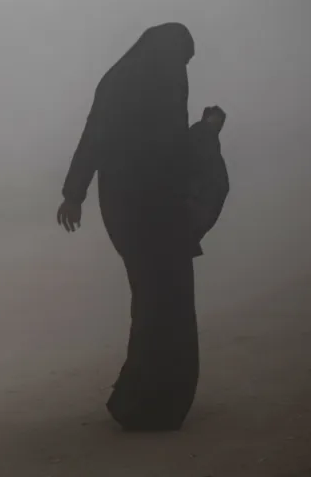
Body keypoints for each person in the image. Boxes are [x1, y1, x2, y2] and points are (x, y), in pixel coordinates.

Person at [56, 23, 199, 431]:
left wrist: (75, 193)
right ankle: (155, 400)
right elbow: (168, 148)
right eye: (184, 59)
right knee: (165, 298)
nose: (184, 68)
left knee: (152, 296)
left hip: (124, 205)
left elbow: (95, 136)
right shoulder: (162, 78)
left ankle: (144, 397)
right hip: (155, 208)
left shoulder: (121, 77)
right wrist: (206, 137)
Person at [188, 106, 229, 254]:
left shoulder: (210, 136)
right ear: (208, 117)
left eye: (222, 122)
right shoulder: (201, 131)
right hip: (197, 188)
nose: (220, 125)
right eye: (218, 119)